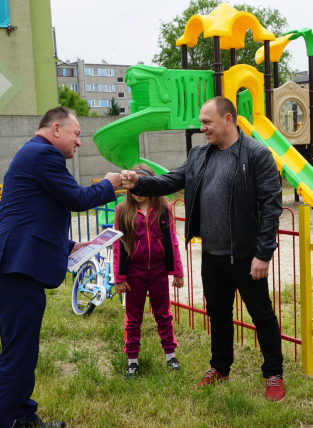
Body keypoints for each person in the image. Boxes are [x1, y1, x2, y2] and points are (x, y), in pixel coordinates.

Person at [121, 96, 285, 401]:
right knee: (218, 314)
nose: (202, 128)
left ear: (228, 119)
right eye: (201, 122)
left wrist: (263, 254)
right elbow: (171, 181)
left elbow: (271, 207)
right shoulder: (199, 155)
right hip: (211, 254)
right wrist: (139, 183)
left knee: (261, 314)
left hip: (246, 254)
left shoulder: (256, 154)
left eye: (207, 122)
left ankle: (273, 373)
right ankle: (220, 368)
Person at [0, 106, 122, 428]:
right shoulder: (43, 154)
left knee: (23, 351)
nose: (79, 142)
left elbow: (31, 214)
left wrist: (70, 246)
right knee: (18, 354)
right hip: (17, 267)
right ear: (56, 129)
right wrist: (109, 184)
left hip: (15, 264)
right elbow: (78, 199)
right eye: (77, 134)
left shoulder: (34, 154)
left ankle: (22, 417)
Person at [112, 164, 184, 377]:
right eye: (134, 187)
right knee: (133, 318)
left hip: (158, 272)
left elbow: (172, 241)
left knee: (163, 315)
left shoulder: (163, 209)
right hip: (134, 273)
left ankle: (170, 356)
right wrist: (119, 278)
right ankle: (132, 360)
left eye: (143, 186)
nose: (138, 192)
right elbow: (118, 246)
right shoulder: (122, 211)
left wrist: (177, 272)